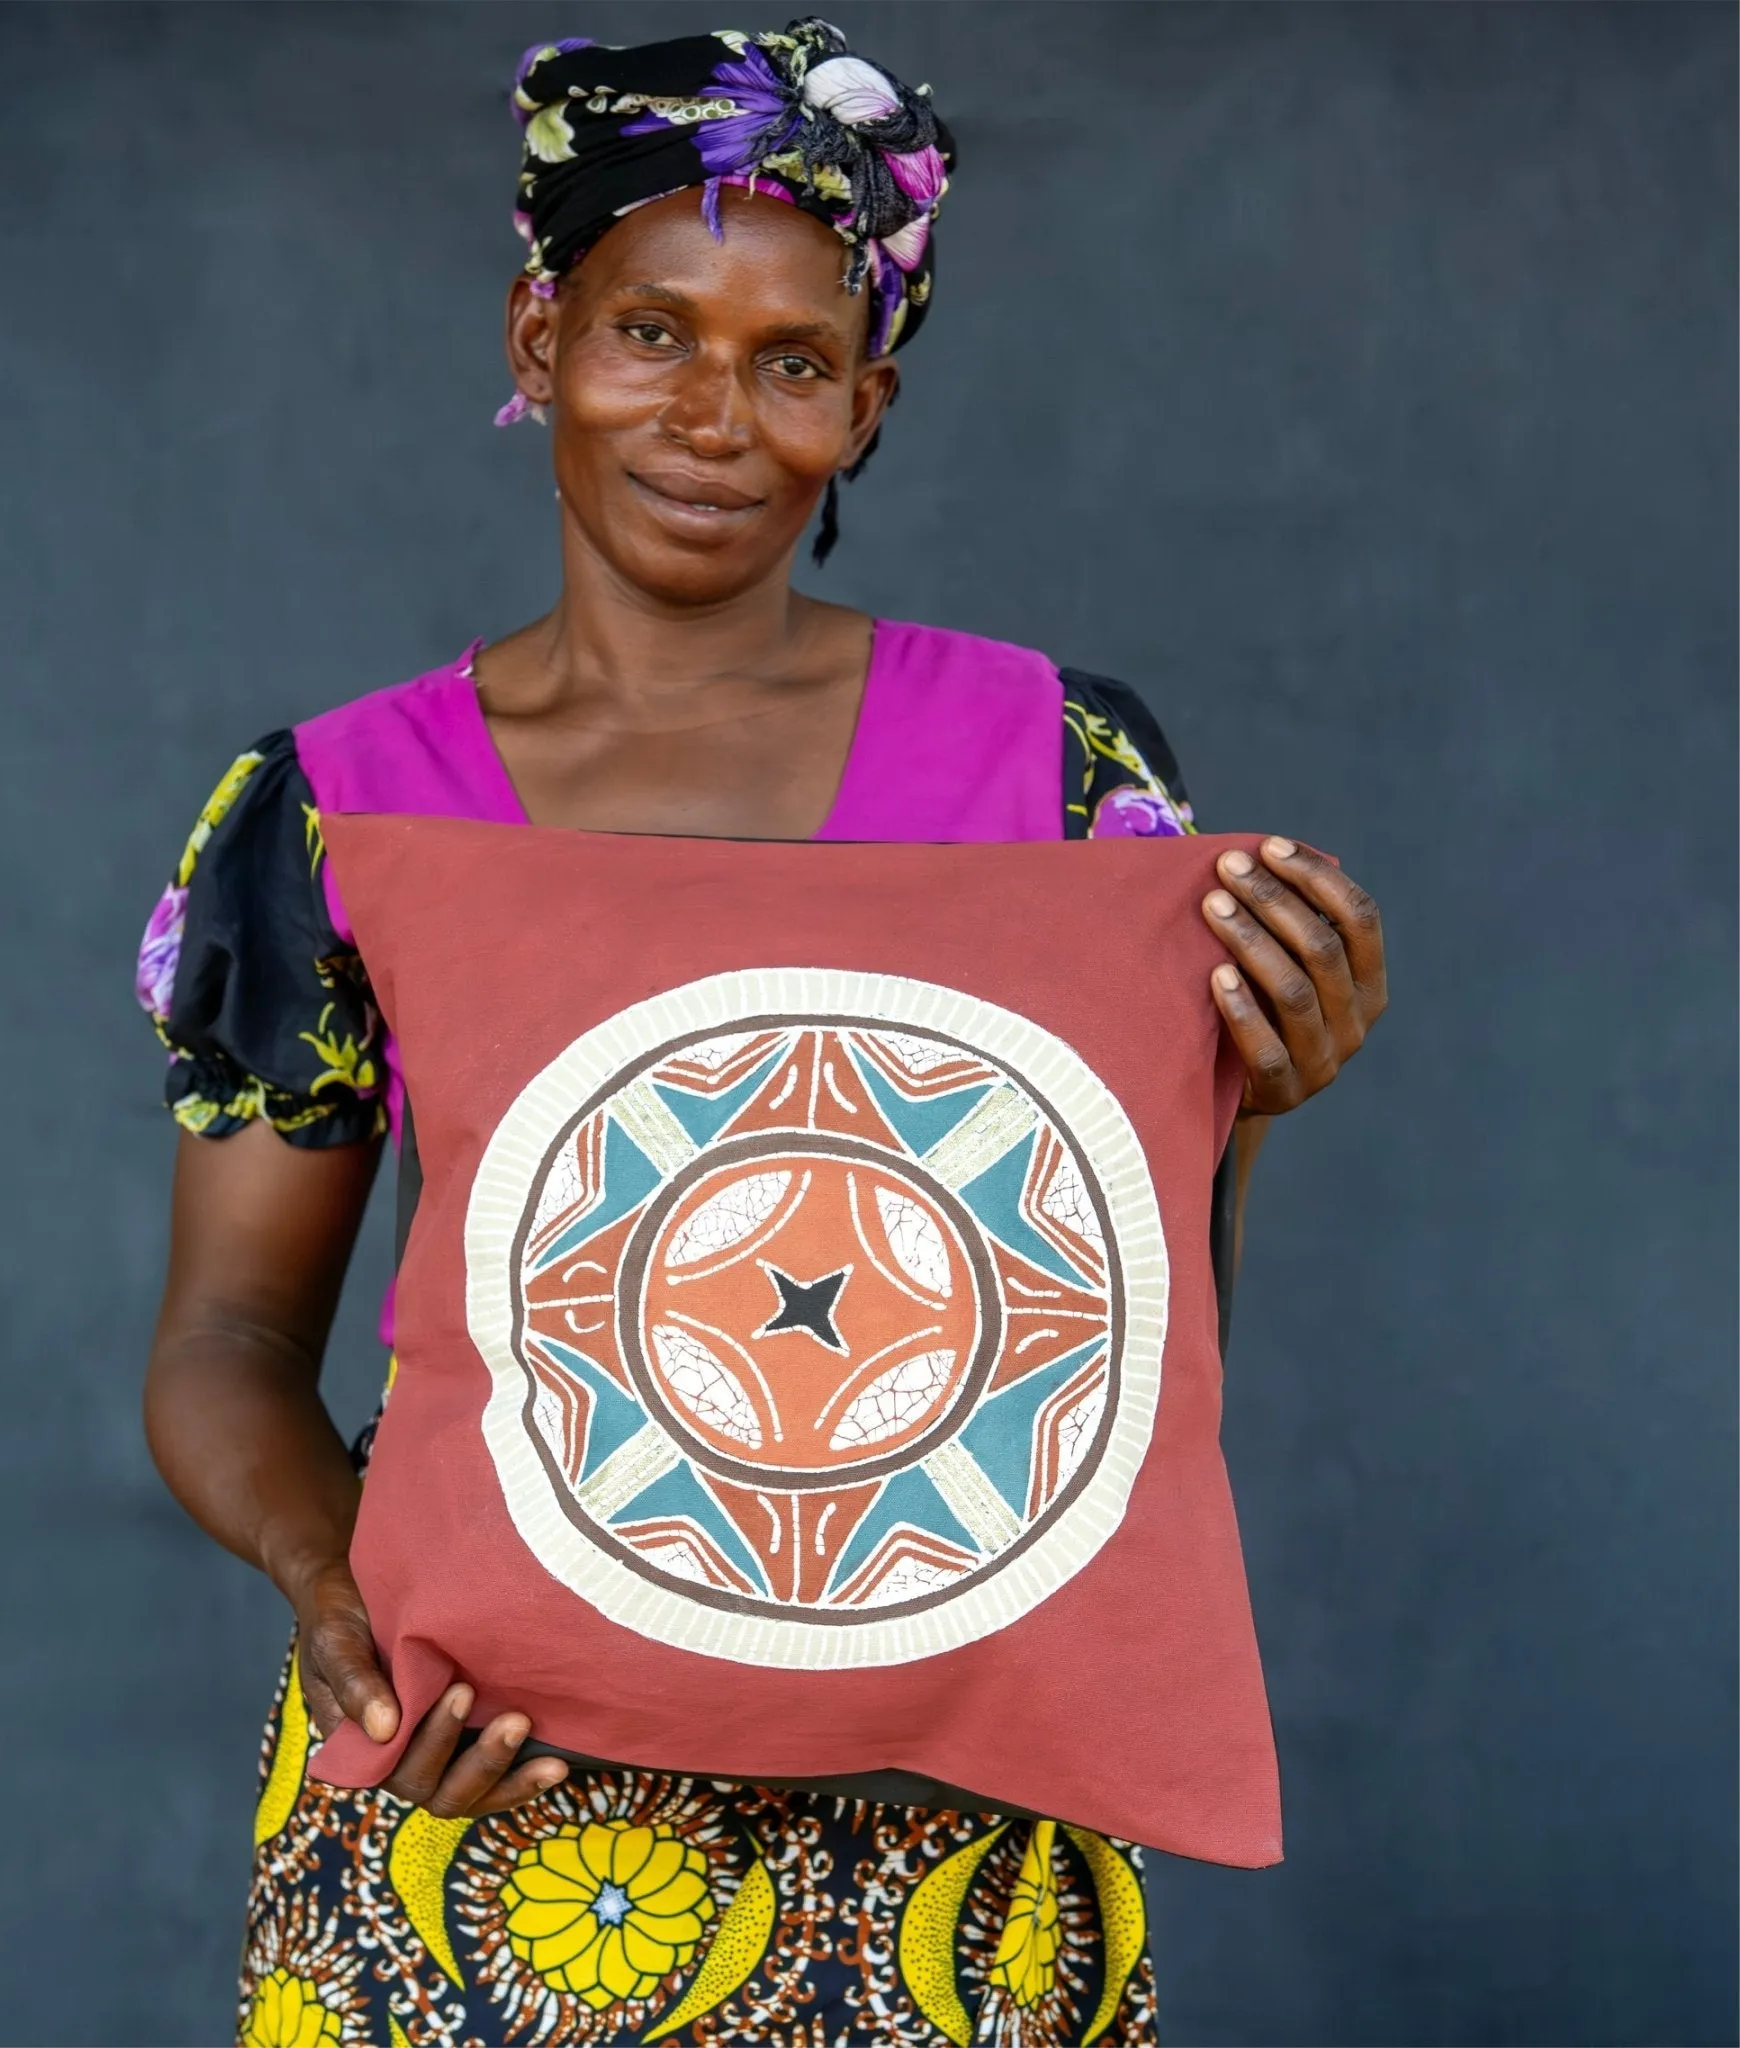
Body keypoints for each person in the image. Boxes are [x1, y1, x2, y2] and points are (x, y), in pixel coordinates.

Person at [137, 21, 1388, 2046]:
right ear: (540, 335)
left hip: (955, 1868)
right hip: (498, 1825)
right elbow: (224, 1342)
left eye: (793, 360)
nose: (714, 414)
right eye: (652, 331)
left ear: (866, 404)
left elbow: (1132, 1320)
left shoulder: (1063, 771)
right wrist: (350, 1605)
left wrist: (1261, 1087)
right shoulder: (345, 802)